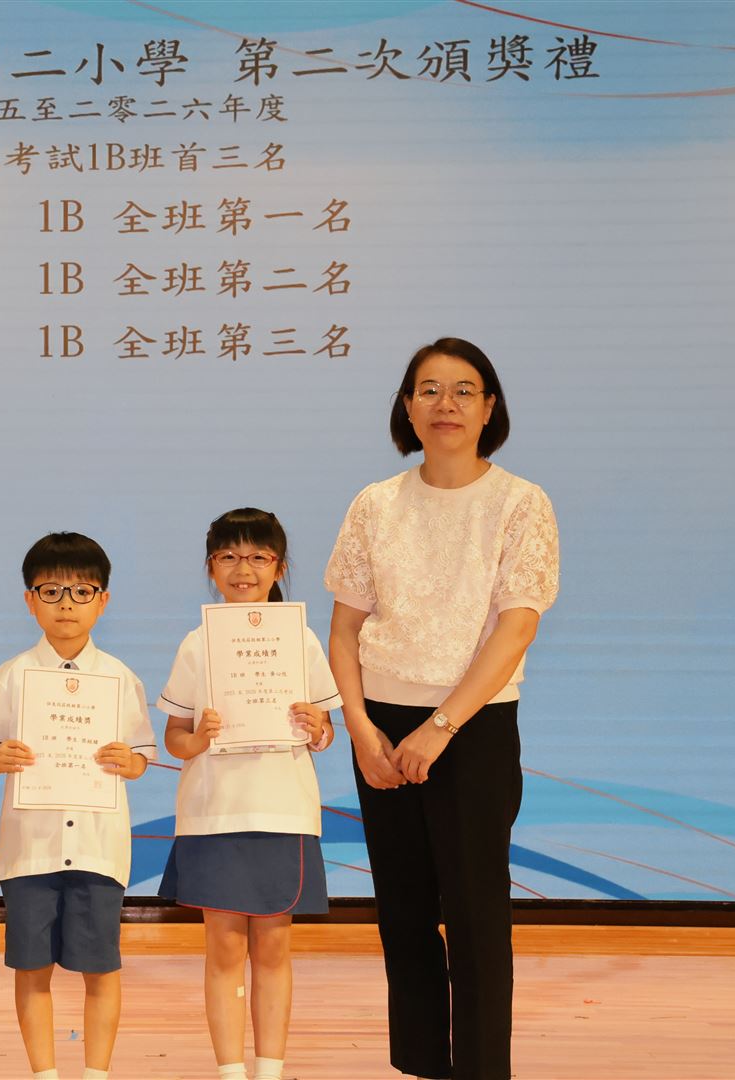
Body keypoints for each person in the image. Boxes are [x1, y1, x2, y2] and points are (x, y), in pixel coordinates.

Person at [324, 337, 560, 1080]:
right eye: (428, 389)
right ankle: (422, 1065)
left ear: (490, 408)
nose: (445, 404)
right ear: (407, 407)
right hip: (381, 727)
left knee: (476, 915)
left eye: (463, 390)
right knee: (402, 912)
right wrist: (359, 729)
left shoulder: (520, 502)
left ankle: (481, 1068)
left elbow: (516, 627)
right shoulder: (375, 503)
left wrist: (441, 726)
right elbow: (344, 629)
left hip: (472, 727)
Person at [157, 509, 342, 1080]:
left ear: (279, 567)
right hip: (214, 814)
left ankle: (270, 1071)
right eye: (229, 557)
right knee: (223, 950)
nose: (244, 569)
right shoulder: (197, 643)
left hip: (283, 812)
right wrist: (197, 738)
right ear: (211, 567)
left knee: (274, 949)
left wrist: (317, 726)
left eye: (259, 557)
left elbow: (326, 732)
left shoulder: (300, 638)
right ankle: (231, 1072)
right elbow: (174, 737)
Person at [0, 533, 157, 1080]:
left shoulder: (120, 678)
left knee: (101, 968)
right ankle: (44, 1073)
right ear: (29, 600)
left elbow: (142, 757)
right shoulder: (10, 676)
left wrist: (130, 761)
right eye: (51, 591)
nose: (66, 604)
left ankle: (96, 1073)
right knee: (32, 968)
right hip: (30, 850)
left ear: (103, 600)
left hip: (98, 849)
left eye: (82, 591)